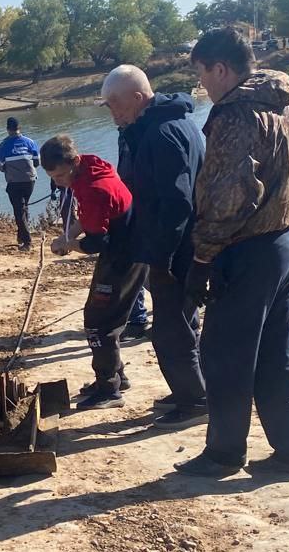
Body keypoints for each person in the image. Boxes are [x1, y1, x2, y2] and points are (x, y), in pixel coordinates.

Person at [176, 26, 289, 478]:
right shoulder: (283, 105)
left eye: (202, 75)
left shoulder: (236, 114)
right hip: (283, 241)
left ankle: (223, 454)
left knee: (224, 354)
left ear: (221, 68)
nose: (203, 86)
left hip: (247, 247)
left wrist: (201, 258)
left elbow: (227, 196)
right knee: (278, 352)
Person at [99, 65, 208, 430]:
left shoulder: (162, 134)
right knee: (184, 322)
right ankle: (191, 391)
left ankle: (194, 400)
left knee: (169, 331)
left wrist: (161, 257)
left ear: (138, 97)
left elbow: (177, 203)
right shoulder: (154, 126)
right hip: (173, 246)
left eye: (115, 103)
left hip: (175, 250)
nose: (113, 111)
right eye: (108, 105)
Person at [43, 134, 147, 410]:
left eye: (61, 176)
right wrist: (67, 236)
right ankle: (116, 377)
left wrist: (69, 245)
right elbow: (88, 222)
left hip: (123, 257)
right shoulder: (91, 167)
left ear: (74, 162)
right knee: (102, 317)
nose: (58, 182)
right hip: (127, 250)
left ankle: (109, 389)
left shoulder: (95, 188)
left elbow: (95, 242)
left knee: (99, 323)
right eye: (53, 178)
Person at [113, 124, 151, 341]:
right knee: (137, 266)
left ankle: (137, 319)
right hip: (130, 206)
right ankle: (137, 317)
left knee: (136, 266)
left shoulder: (141, 134)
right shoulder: (125, 133)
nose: (114, 115)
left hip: (139, 209)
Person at [0, 116, 40, 251]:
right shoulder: (30, 142)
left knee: (19, 210)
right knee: (23, 207)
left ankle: (27, 242)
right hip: (30, 181)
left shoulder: (3, 145)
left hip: (14, 182)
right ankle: (21, 236)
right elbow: (37, 162)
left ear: (7, 129)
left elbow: (1, 167)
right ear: (19, 128)